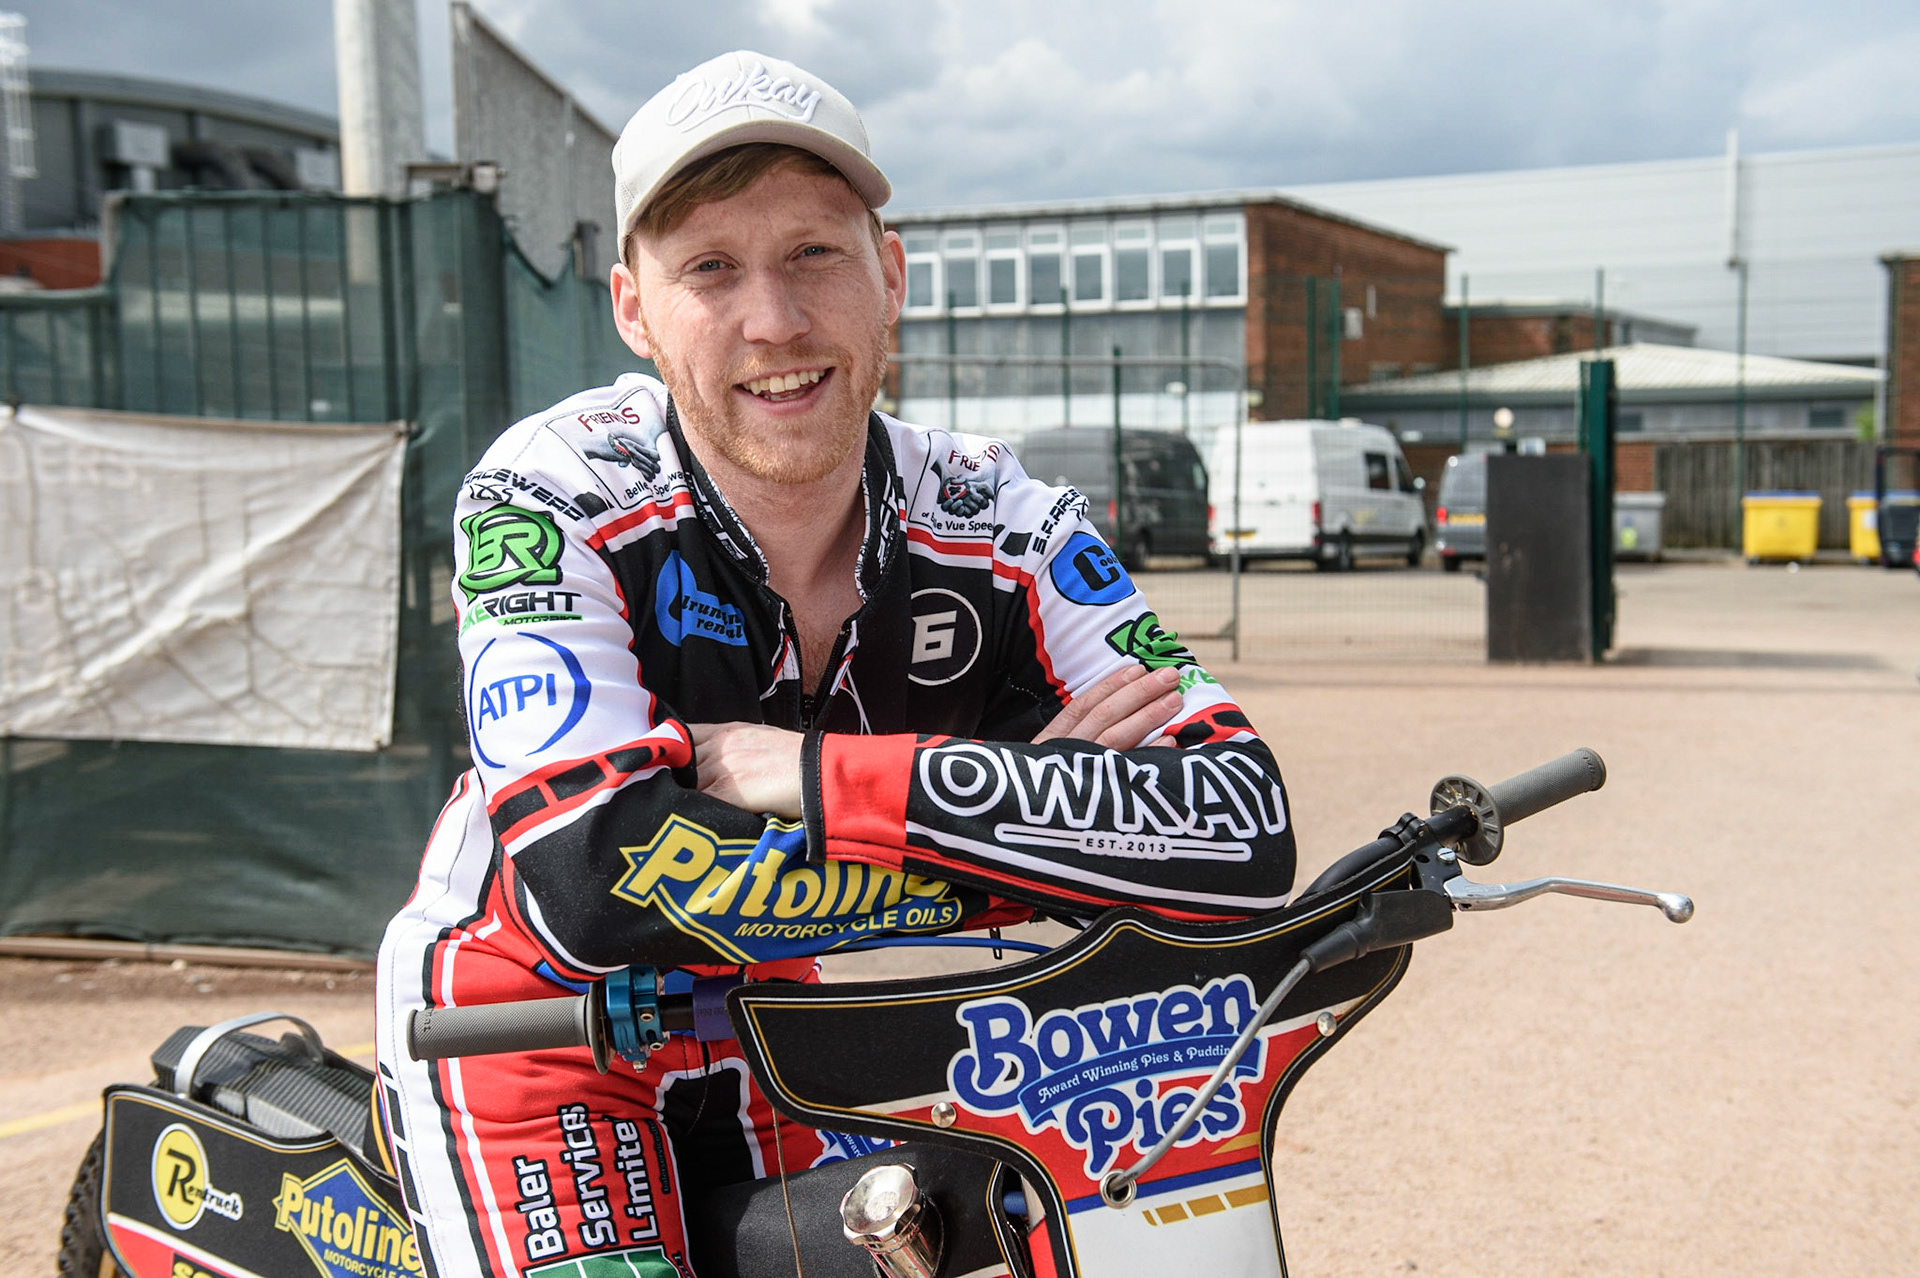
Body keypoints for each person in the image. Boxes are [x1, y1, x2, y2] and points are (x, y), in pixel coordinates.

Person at [375, 49, 1296, 1278]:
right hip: (532, 1027)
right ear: (634, 312)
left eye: (815, 251)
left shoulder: (1002, 512)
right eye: (710, 268)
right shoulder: (549, 492)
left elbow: (1239, 829)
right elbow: (594, 884)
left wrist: (815, 773)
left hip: (803, 1008)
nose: (775, 320)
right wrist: (1008, 834)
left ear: (890, 275)